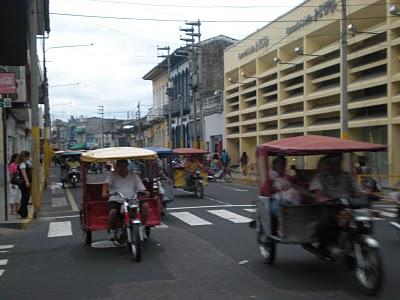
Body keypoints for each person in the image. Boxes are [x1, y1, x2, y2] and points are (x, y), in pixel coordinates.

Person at [309, 153, 360, 257]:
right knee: (325, 222)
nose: (336, 165)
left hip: (348, 205)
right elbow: (318, 193)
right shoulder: (321, 177)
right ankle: (326, 245)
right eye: (332, 163)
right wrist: (322, 198)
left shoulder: (347, 176)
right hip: (331, 206)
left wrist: (366, 194)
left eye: (338, 162)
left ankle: (356, 242)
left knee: (362, 221)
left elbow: (357, 191)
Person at [102, 160, 148, 242]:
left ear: (127, 166)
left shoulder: (133, 175)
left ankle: (143, 228)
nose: (122, 168)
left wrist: (145, 192)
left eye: (124, 166)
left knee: (145, 206)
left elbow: (140, 187)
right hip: (116, 199)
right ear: (117, 167)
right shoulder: (112, 175)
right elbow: (106, 185)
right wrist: (105, 192)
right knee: (113, 212)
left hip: (132, 199)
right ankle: (113, 231)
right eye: (120, 166)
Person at [269, 156, 301, 236]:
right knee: (279, 207)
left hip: (288, 197)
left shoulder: (286, 175)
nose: (282, 166)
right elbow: (269, 188)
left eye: (284, 164)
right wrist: (280, 189)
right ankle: (281, 228)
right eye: (280, 164)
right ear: (275, 165)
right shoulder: (271, 174)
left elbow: (293, 183)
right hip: (275, 199)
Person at [16, 151, 31, 218]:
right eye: (29, 156)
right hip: (24, 183)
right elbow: (23, 173)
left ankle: (21, 211)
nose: (29, 157)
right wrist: (27, 182)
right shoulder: (22, 164)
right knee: (25, 197)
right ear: (26, 156)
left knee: (25, 197)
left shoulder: (24, 163)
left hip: (23, 183)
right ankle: (23, 214)